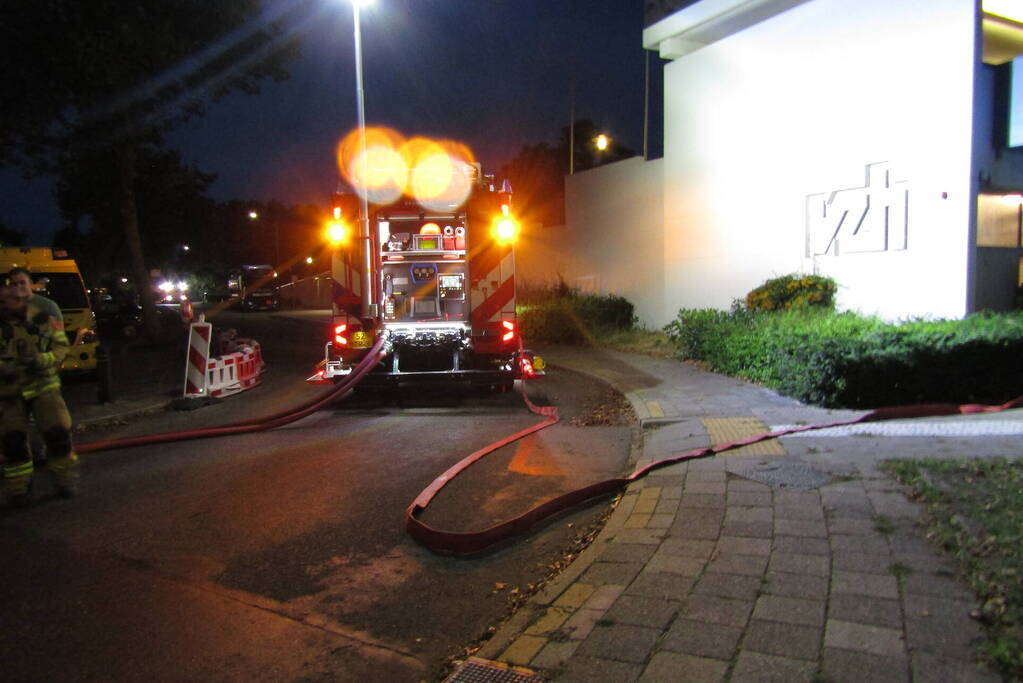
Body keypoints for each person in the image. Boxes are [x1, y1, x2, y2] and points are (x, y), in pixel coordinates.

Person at [0, 282, 78, 506]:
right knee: (12, 443)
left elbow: (61, 347)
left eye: (11, 301)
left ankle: (66, 482)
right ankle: (18, 490)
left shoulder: (43, 318)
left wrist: (41, 361)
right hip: (9, 393)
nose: (6, 306)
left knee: (58, 437)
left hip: (44, 388)